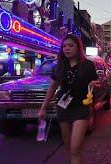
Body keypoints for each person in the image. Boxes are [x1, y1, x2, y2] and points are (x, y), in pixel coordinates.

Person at [38, 34, 100, 164]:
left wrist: (91, 85)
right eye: (65, 46)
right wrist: (43, 108)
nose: (67, 48)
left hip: (81, 108)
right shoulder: (59, 66)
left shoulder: (88, 65)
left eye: (71, 45)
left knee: (75, 148)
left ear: (78, 48)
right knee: (69, 148)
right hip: (63, 108)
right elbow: (52, 88)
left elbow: (93, 84)